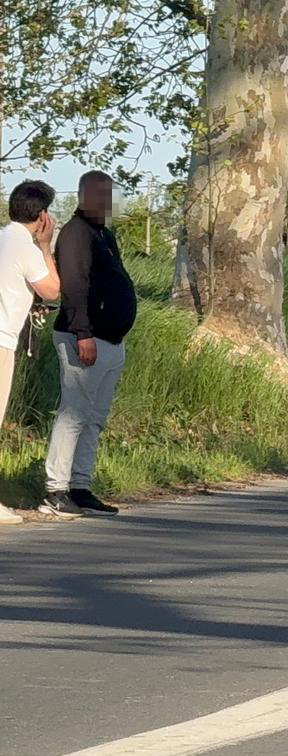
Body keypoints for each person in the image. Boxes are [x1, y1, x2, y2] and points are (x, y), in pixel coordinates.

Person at [39, 171, 136, 519]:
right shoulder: (77, 234)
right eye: (102, 196)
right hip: (84, 337)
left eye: (110, 197)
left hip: (111, 339)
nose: (107, 204)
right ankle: (56, 489)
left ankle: (80, 485)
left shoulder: (104, 234)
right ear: (85, 196)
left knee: (94, 417)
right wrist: (83, 332)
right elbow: (75, 286)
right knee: (73, 414)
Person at [0, 181, 63, 525]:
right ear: (41, 216)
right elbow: (52, 290)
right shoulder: (24, 245)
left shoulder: (1, 237)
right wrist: (45, 246)